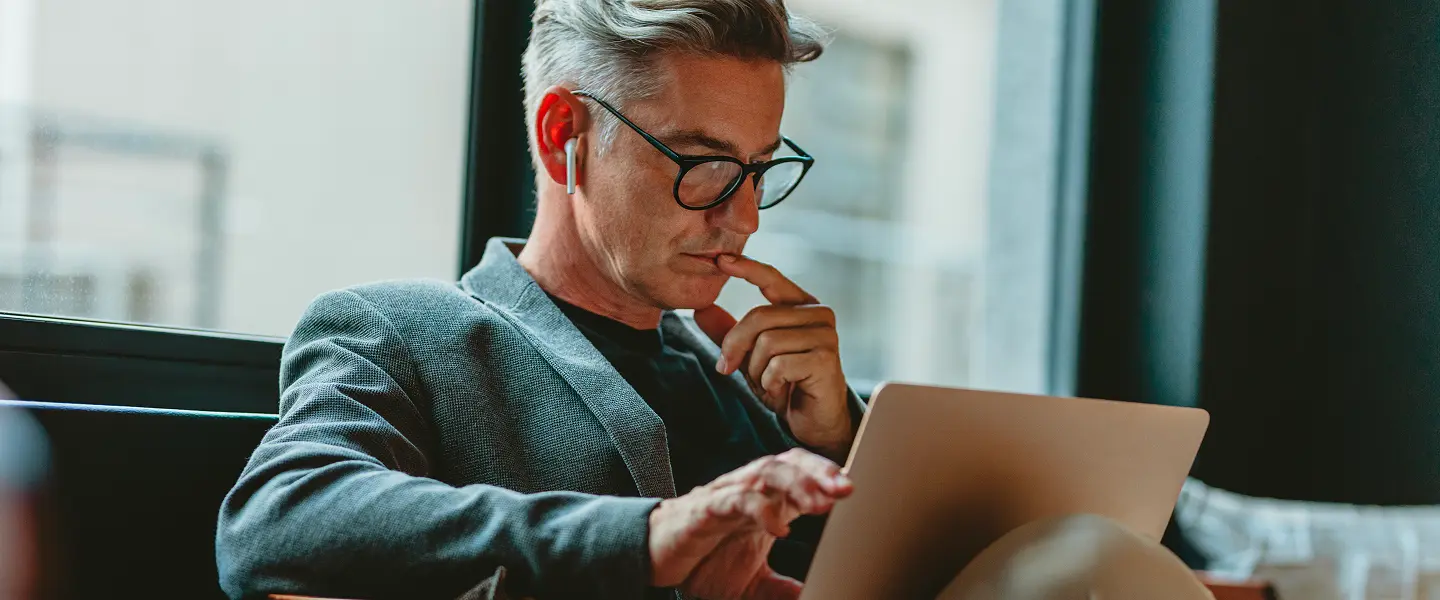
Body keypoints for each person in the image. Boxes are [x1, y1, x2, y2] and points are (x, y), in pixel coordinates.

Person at [215, 2, 1209, 599]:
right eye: (700, 166)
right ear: (564, 134)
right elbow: (280, 519)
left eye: (761, 169)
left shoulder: (752, 390)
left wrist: (844, 442)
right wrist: (648, 538)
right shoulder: (407, 333)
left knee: (1092, 558)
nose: (744, 218)